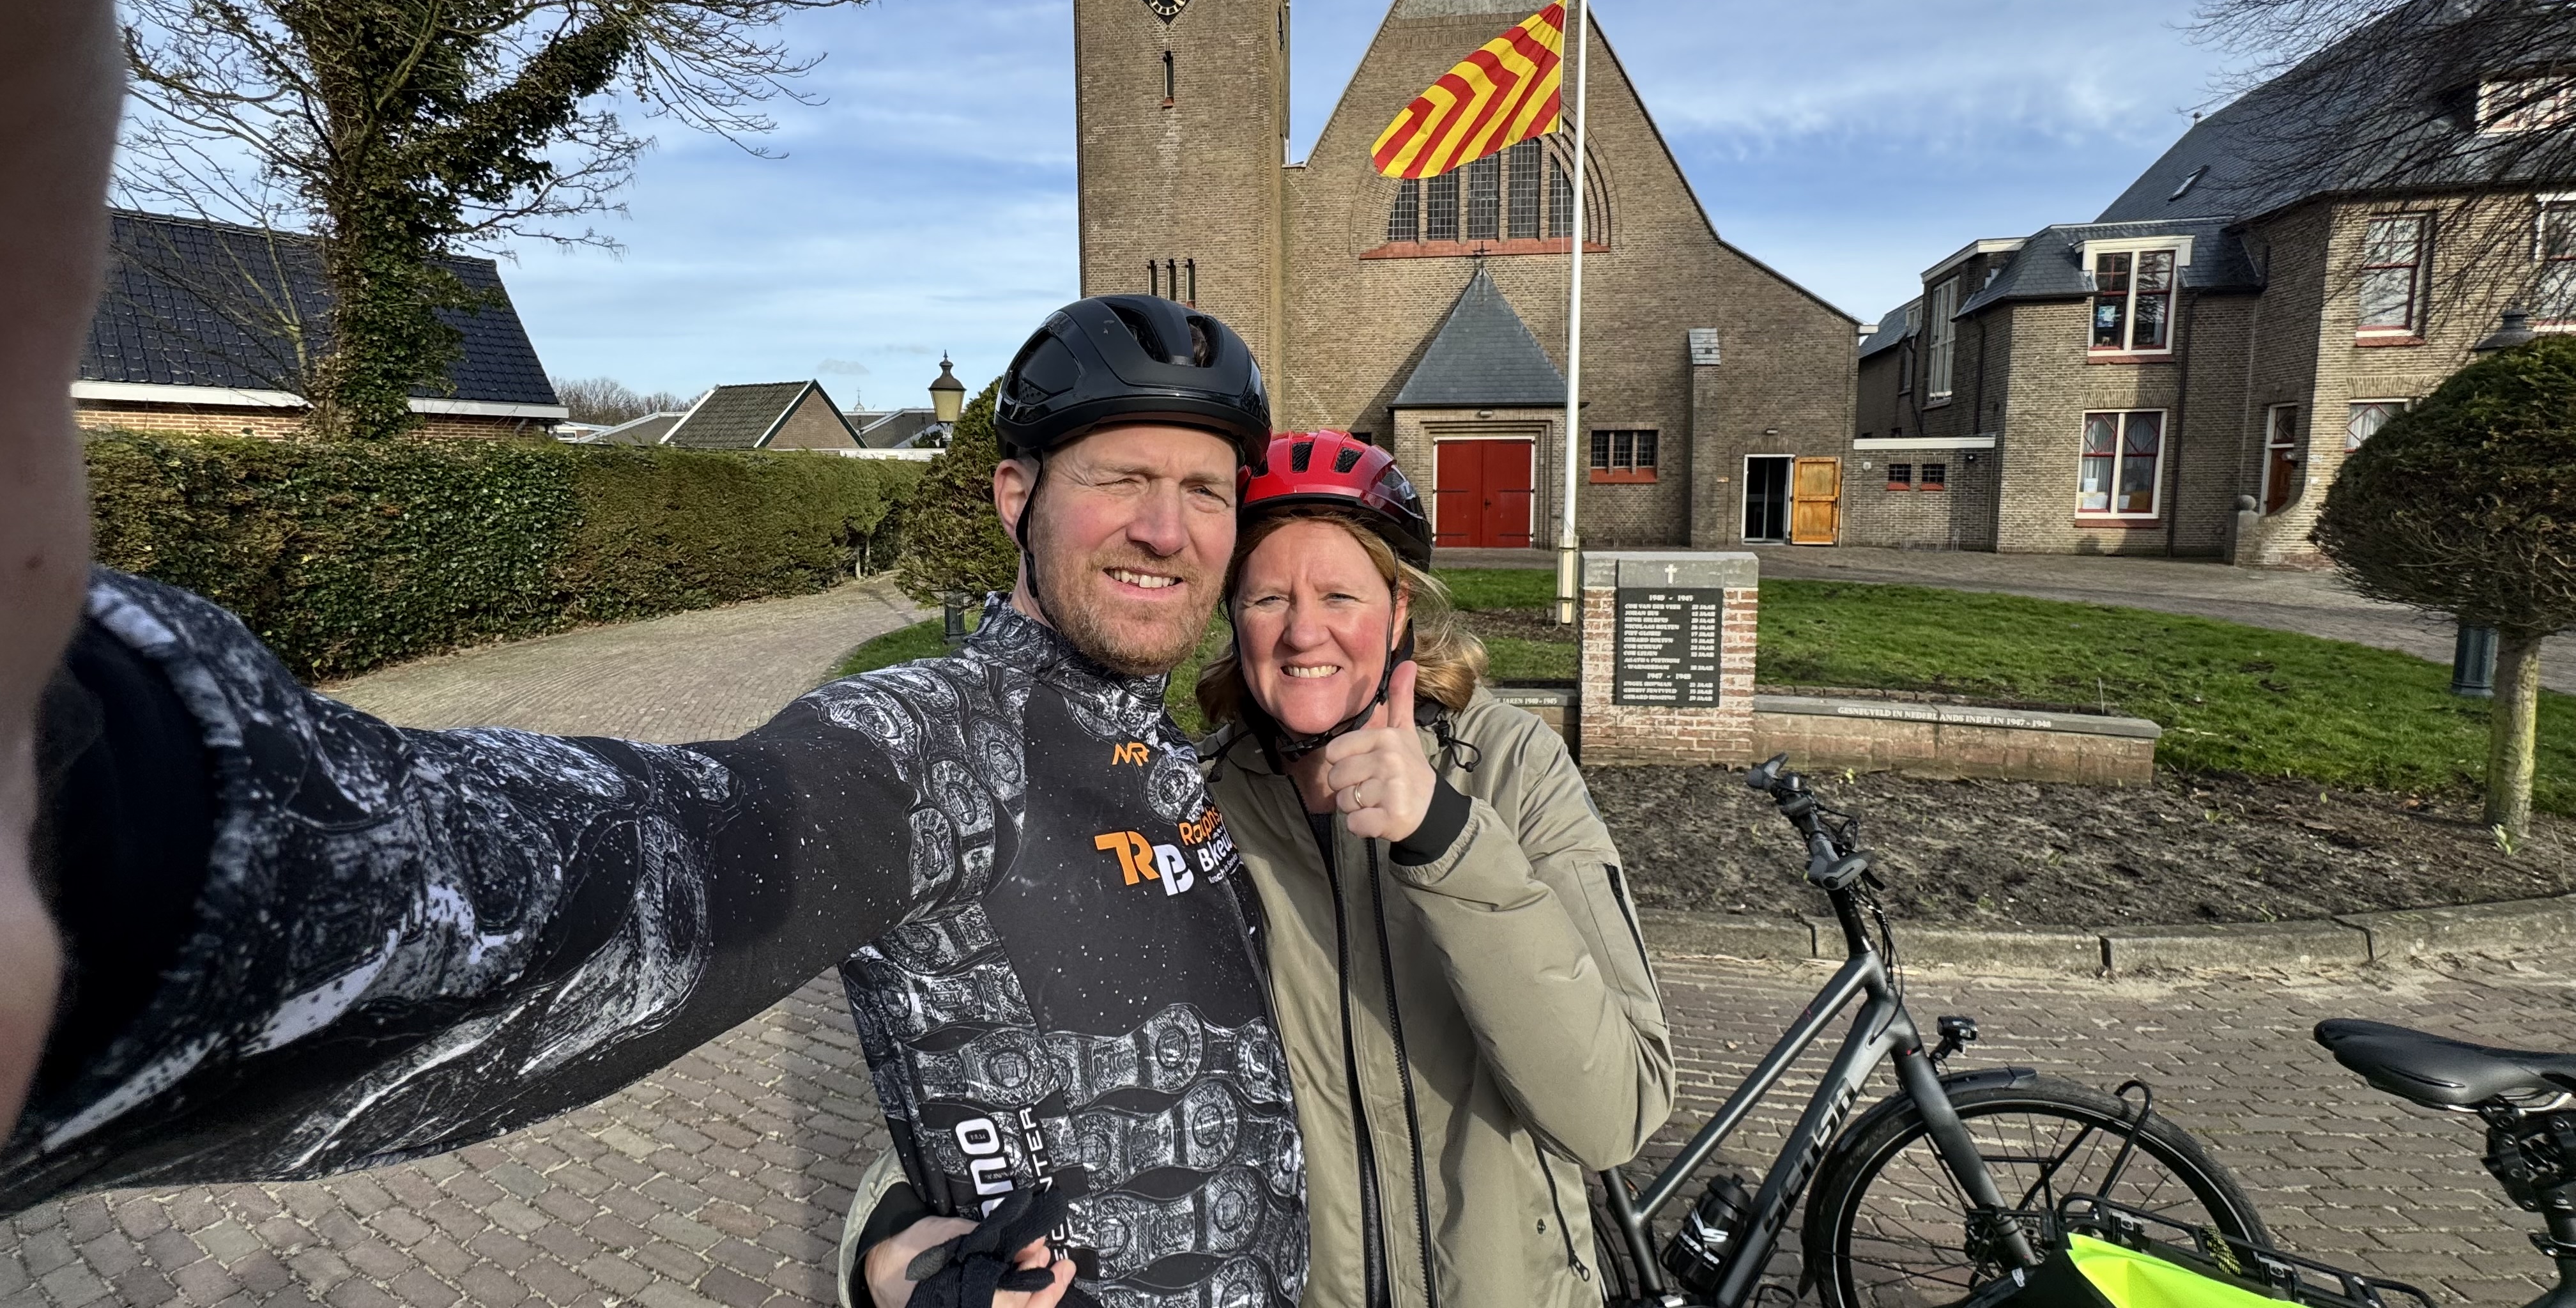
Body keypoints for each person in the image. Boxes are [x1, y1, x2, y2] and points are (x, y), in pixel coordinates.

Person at [0, 288, 1311, 1308]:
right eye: (1120, 478)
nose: (1167, 527)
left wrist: (887, 1243)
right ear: (1017, 495)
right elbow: (652, 853)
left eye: (1204, 489)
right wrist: (114, 818)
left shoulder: (1170, 747)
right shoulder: (930, 743)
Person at [1199, 430, 1671, 1307]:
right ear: (1234, 616)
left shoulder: (1511, 765)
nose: (1304, 630)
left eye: (1340, 593)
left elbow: (1614, 1113)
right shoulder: (1198, 807)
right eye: (1267, 597)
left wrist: (1445, 839)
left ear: (1400, 606)